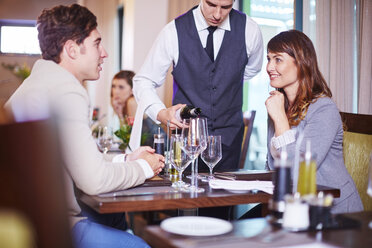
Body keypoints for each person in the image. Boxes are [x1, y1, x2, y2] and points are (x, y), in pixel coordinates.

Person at [5, 4, 164, 247]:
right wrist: (145, 167)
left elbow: (74, 159)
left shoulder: (39, 82)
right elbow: (94, 181)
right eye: (97, 43)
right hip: (53, 224)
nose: (104, 53)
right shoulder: (67, 90)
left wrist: (126, 160)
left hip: (25, 216)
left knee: (114, 218)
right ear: (71, 49)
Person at [131, 0, 263, 172]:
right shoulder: (173, 31)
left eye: (225, 7)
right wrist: (161, 113)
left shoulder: (250, 30)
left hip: (229, 142)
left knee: (226, 198)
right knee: (183, 197)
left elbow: (251, 69)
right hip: (185, 145)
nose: (217, 14)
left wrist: (225, 81)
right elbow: (143, 81)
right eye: (211, 4)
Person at [265, 30, 363, 213]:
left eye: (277, 59)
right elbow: (272, 166)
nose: (270, 67)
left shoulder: (324, 109)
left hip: (332, 212)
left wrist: (279, 118)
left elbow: (298, 172)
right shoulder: (278, 104)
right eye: (268, 59)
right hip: (295, 206)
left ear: (301, 63)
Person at [110, 70, 163, 147]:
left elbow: (131, 139)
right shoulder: (126, 104)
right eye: (113, 86)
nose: (116, 91)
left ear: (132, 90)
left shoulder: (132, 102)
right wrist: (120, 114)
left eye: (121, 87)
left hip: (159, 148)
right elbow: (127, 138)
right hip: (149, 147)